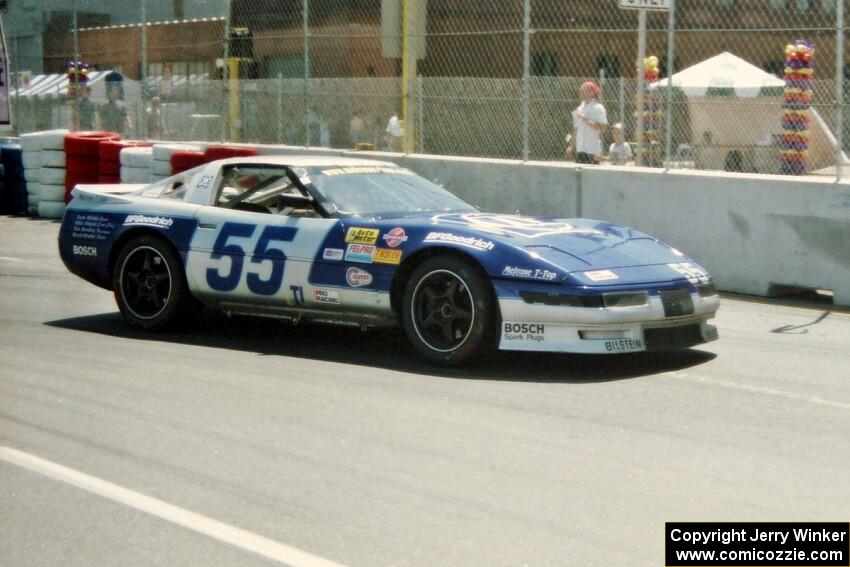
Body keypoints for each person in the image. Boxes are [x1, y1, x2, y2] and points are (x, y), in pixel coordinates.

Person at [565, 81, 608, 164]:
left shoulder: (598, 108)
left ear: (591, 93)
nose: (581, 93)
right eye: (581, 91)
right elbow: (576, 129)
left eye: (583, 91)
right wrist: (571, 146)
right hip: (580, 150)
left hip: (591, 150)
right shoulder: (579, 108)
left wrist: (587, 120)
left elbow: (603, 128)